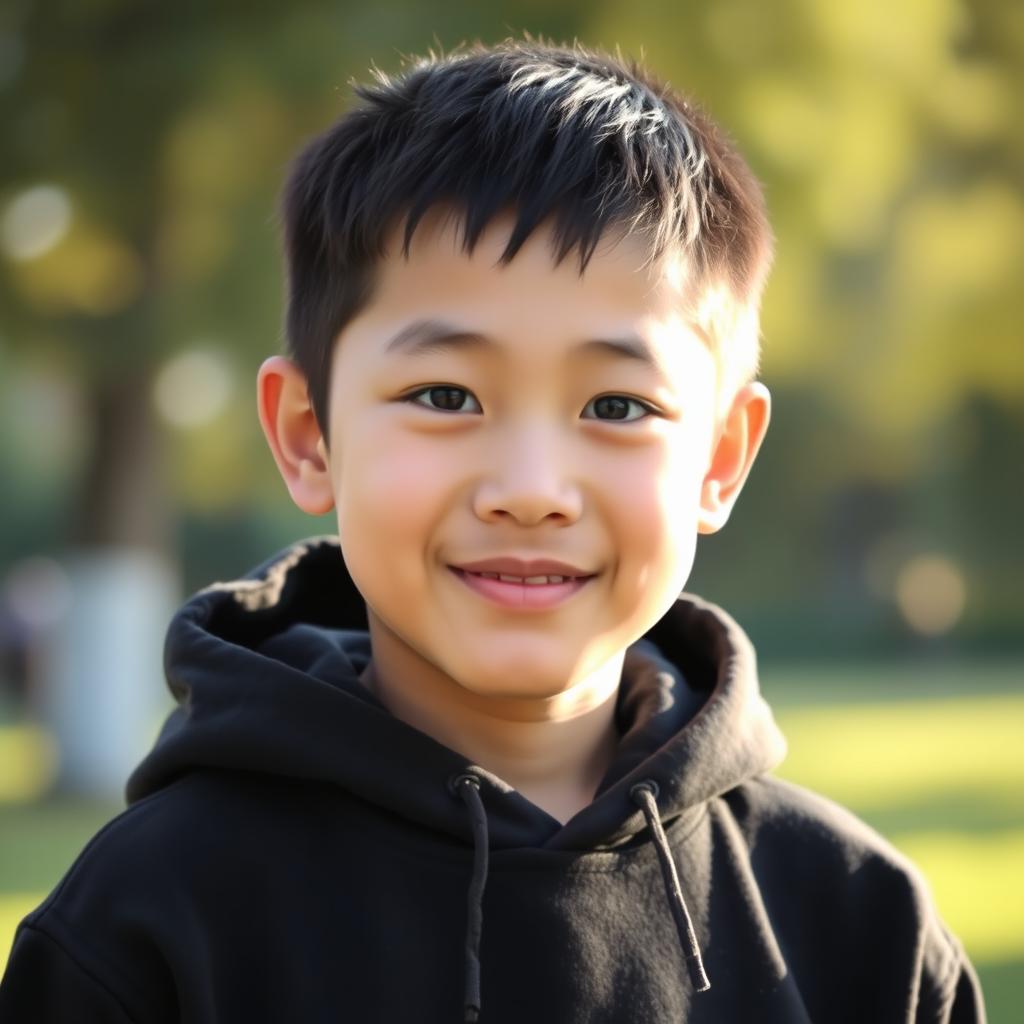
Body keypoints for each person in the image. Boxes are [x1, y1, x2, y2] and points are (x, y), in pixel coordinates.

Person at [0, 39, 985, 1024]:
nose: (529, 490)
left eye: (616, 406)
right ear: (309, 435)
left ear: (720, 458)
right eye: (444, 394)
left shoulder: (861, 927)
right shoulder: (148, 926)